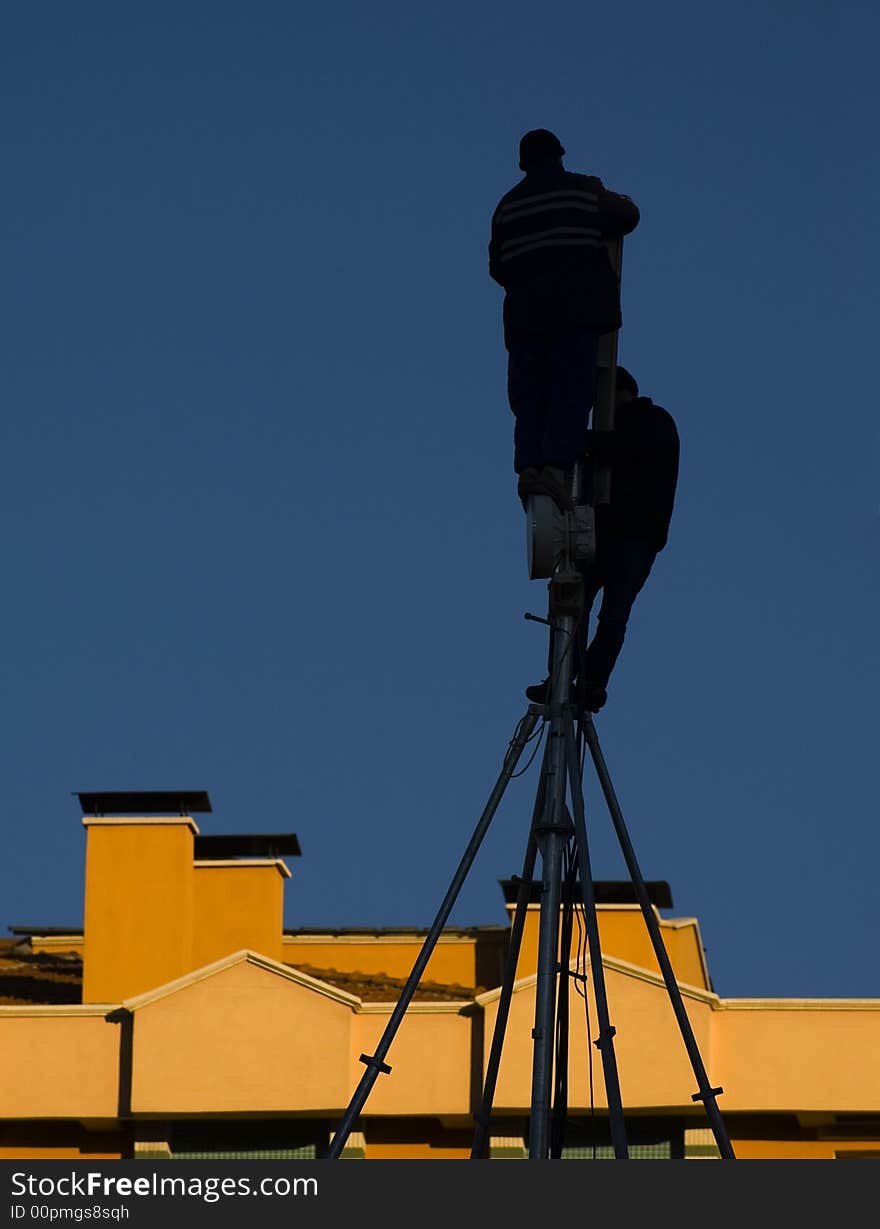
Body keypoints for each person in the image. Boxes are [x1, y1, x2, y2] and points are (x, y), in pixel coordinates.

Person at [489, 129, 640, 512]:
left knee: (530, 399)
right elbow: (627, 216)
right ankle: (557, 471)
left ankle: (530, 471)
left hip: (525, 322)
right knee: (570, 392)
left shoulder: (506, 207)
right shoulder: (582, 191)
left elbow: (498, 266)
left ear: (523, 164)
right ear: (559, 156)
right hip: (575, 313)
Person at [526, 365, 679, 711]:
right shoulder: (634, 426)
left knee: (610, 614)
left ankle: (590, 683)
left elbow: (622, 448)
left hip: (632, 536)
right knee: (573, 600)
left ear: (621, 392)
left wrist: (577, 440)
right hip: (608, 532)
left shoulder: (653, 421)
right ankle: (565, 678)